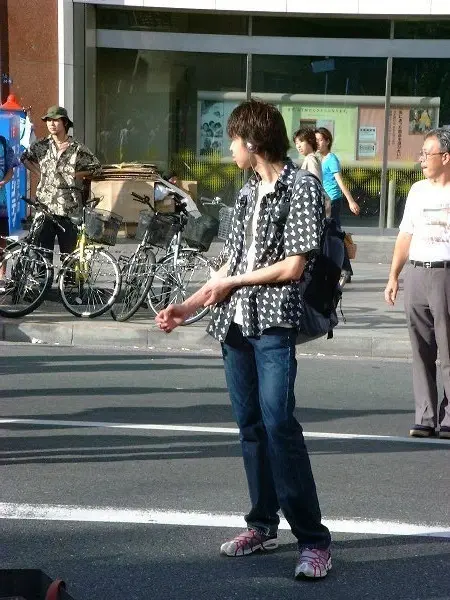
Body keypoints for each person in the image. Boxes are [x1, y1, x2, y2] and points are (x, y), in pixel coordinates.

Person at [156, 99, 332, 579]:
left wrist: (233, 283)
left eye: (232, 140)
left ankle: (314, 540)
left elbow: (295, 266)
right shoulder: (247, 193)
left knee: (279, 426)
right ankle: (262, 524)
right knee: (250, 426)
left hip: (273, 324)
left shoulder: (303, 188)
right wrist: (187, 308)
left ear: (252, 143)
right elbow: (226, 267)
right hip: (233, 327)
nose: (228, 148)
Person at [384, 127, 450, 440]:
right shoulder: (417, 191)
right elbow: (405, 236)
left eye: (427, 153)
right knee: (421, 350)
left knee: (448, 350)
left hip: (446, 275)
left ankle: (449, 416)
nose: (421, 159)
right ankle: (425, 416)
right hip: (417, 274)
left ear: (446, 157)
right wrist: (394, 275)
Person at [21, 105, 101, 259]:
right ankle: (42, 281)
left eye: (55, 120)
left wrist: (76, 174)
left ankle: (69, 283)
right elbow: (24, 158)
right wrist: (39, 173)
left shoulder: (77, 148)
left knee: (69, 253)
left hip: (68, 208)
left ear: (64, 123)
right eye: (48, 120)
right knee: (42, 253)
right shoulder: (41, 145)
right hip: (45, 206)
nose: (51, 123)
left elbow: (97, 168)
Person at [315, 127, 359, 284]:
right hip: (326, 201)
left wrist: (351, 200)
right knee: (335, 234)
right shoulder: (321, 159)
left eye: (321, 140)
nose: (318, 143)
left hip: (333, 200)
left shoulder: (331, 159)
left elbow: (339, 181)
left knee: (335, 235)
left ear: (327, 141)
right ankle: (346, 269)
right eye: (316, 140)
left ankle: (345, 269)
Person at [293, 127, 330, 217]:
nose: (298, 146)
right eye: (296, 143)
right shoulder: (311, 158)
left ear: (310, 141)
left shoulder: (311, 159)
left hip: (311, 206)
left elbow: (314, 184)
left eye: (301, 142)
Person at [0, 136, 20, 288]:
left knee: (1, 241)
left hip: (0, 203)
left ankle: (2, 277)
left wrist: (3, 182)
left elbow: (10, 170)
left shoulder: (2, 142)